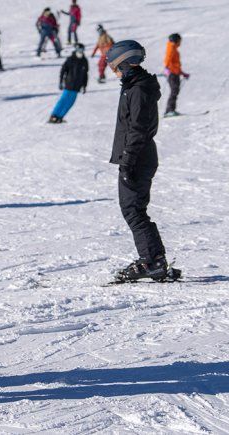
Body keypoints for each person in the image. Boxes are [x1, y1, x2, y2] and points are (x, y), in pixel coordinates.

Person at [105, 40, 180, 283]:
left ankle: (152, 261)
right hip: (138, 154)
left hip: (137, 156)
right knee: (135, 210)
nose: (112, 71)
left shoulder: (138, 89)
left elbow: (138, 128)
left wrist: (127, 160)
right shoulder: (135, 85)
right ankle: (154, 259)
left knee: (133, 210)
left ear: (124, 63)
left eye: (114, 66)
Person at [49, 44, 88, 123]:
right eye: (79, 50)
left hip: (77, 86)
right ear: (76, 50)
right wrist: (61, 82)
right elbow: (63, 70)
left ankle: (60, 117)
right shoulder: (70, 59)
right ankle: (53, 116)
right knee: (63, 100)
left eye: (82, 50)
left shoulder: (84, 61)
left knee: (70, 102)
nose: (80, 52)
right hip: (69, 84)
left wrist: (84, 86)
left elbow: (85, 74)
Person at [163, 33, 190, 117]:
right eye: (179, 41)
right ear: (176, 40)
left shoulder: (174, 49)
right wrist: (166, 68)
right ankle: (169, 111)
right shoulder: (171, 48)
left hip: (175, 73)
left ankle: (171, 110)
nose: (180, 43)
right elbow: (167, 58)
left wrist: (182, 73)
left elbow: (176, 64)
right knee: (174, 91)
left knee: (175, 91)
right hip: (172, 73)